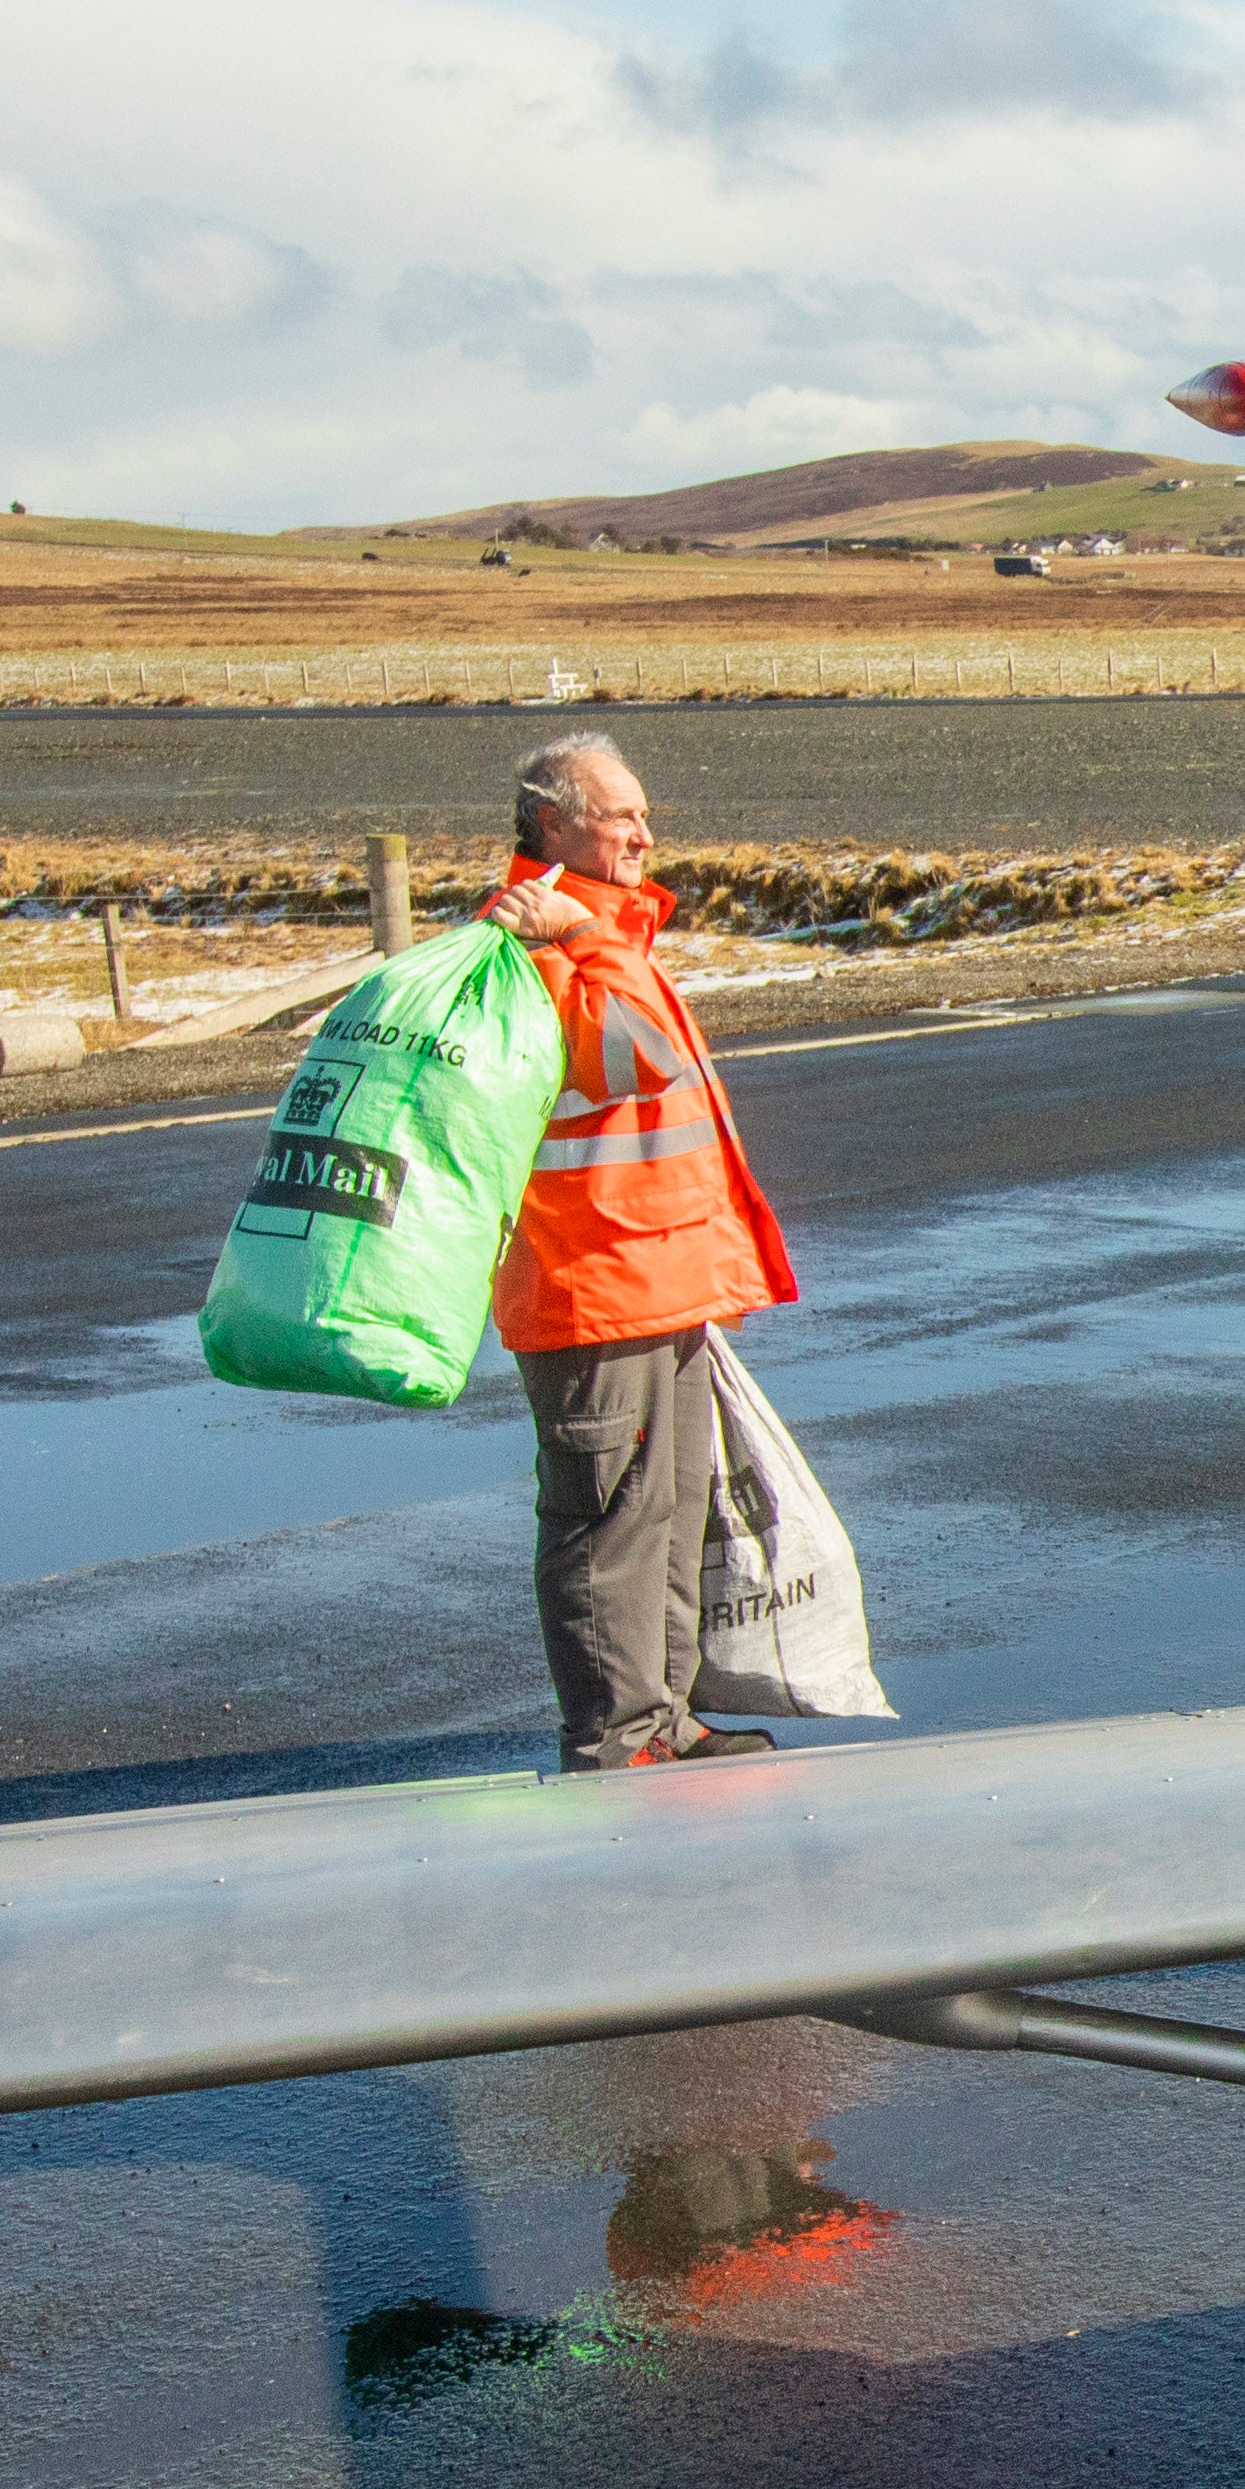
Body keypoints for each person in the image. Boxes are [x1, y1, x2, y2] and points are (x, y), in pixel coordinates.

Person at [475, 735, 803, 1770]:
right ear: (554, 825)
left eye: (643, 813)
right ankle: (615, 1741)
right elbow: (632, 1058)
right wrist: (584, 934)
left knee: (665, 1514)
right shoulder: (533, 939)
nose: (643, 834)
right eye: (621, 816)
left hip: (651, 1276)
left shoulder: (598, 930)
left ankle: (665, 1718)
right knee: (604, 1524)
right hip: (588, 1285)